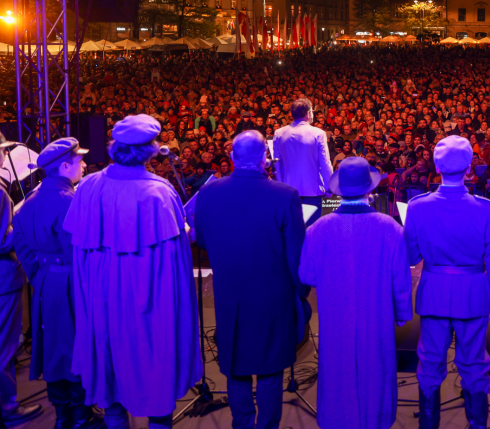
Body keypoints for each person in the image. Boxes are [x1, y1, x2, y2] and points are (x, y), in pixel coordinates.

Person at [63, 114, 201, 429]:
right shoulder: (159, 192)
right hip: (148, 300)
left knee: (109, 366)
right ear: (150, 150)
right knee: (153, 363)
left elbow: (78, 249)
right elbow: (175, 259)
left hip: (102, 298)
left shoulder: (88, 186)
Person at [193, 131, 308, 429]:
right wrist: (302, 295)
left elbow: (201, 240)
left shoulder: (208, 192)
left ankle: (242, 425)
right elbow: (296, 257)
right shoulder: (286, 194)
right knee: (270, 370)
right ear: (265, 159)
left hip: (228, 295)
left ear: (232, 157)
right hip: (273, 296)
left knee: (236, 367)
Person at [299, 156, 413, 429]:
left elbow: (307, 276)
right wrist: (402, 313)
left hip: (335, 317)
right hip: (377, 316)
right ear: (369, 189)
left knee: (337, 369)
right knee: (377, 369)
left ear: (339, 190)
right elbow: (401, 279)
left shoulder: (317, 229)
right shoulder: (391, 227)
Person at [404, 136, 490, 429]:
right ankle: (477, 424)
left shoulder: (417, 206)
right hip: (473, 294)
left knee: (430, 364)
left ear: (436, 166)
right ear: (469, 167)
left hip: (433, 292)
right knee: (474, 365)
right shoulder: (486, 208)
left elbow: (411, 256)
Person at [11, 138, 100, 429]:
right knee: (76, 345)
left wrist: (42, 277)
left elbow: (22, 248)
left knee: (52, 346)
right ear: (64, 166)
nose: (84, 165)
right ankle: (82, 416)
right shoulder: (70, 201)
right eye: (79, 160)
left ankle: (63, 416)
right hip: (73, 282)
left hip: (45, 282)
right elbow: (80, 250)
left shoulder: (28, 202)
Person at [0, 158, 41, 427]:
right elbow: (3, 241)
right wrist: (23, 223)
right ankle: (7, 408)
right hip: (3, 281)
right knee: (4, 347)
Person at [273, 98, 334, 225]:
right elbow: (325, 162)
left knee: (291, 229)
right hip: (312, 190)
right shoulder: (318, 133)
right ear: (308, 113)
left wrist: (280, 187)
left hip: (287, 190)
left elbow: (277, 164)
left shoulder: (279, 133)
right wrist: (329, 186)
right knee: (310, 230)